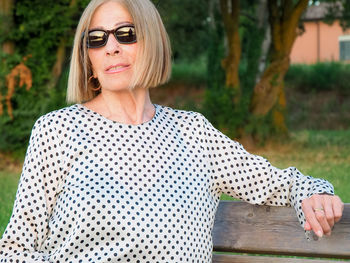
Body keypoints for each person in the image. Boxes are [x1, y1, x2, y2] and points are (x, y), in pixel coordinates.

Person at [0, 0, 344, 262]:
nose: (111, 47)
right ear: (88, 56)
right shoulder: (57, 131)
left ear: (151, 42)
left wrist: (313, 191)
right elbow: (15, 249)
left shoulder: (193, 133)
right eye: (96, 39)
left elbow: (278, 183)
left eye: (126, 34)